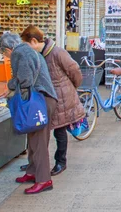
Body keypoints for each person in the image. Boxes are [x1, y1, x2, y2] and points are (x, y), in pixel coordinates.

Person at [20, 25, 84, 176]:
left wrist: (71, 87)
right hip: (45, 98)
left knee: (60, 130)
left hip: (61, 97)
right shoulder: (36, 55)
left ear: (34, 41)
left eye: (27, 45)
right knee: (40, 132)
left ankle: (61, 162)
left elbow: (74, 70)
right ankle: (36, 163)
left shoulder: (57, 52)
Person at [0, 32, 58, 194]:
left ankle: (44, 179)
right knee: (34, 139)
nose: (5, 56)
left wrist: (14, 90)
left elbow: (25, 79)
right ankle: (32, 172)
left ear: (8, 49)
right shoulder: (28, 50)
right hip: (44, 99)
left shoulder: (19, 53)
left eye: (3, 53)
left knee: (39, 142)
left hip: (39, 101)